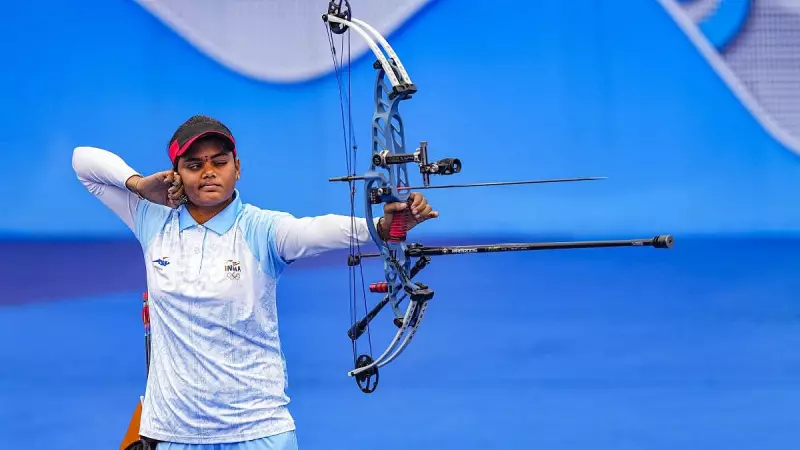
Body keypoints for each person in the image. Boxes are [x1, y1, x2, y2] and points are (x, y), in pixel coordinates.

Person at [71, 114, 438, 450]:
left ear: (238, 168)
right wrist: (138, 185)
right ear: (175, 174)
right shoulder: (151, 219)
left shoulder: (260, 229)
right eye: (194, 165)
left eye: (219, 161)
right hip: (173, 433)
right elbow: (83, 161)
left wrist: (379, 228)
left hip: (257, 430)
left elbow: (315, 230)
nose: (209, 172)